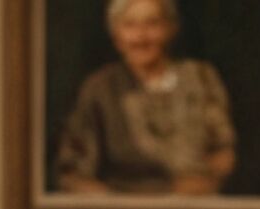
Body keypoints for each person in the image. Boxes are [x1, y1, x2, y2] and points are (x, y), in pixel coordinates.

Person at [56, 0, 236, 195]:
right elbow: (72, 173)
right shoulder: (99, 89)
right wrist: (116, 206)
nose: (141, 37)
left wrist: (203, 184)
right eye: (130, 25)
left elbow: (223, 152)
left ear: (170, 29)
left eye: (152, 24)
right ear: (116, 36)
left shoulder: (201, 78)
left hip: (193, 208)